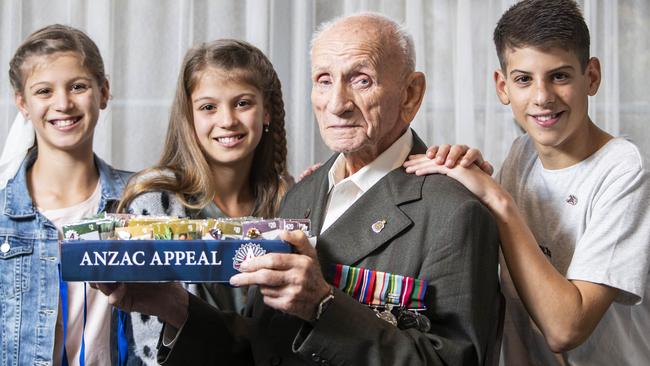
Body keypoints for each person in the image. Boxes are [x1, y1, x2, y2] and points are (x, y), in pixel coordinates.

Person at [97, 13, 501, 365]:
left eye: (361, 80)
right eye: (323, 80)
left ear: (410, 94)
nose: (337, 102)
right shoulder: (300, 195)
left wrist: (323, 307)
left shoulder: (455, 210)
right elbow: (259, 349)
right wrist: (171, 305)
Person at [404, 0, 650, 364]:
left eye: (560, 76)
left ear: (592, 77)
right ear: (502, 86)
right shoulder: (521, 155)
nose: (542, 98)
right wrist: (458, 176)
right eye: (524, 79)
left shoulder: (625, 171)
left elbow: (565, 329)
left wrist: (498, 200)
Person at [115, 39, 291, 365]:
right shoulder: (151, 205)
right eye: (208, 107)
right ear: (189, 117)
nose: (227, 120)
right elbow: (151, 348)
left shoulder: (293, 202)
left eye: (242, 103)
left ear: (266, 111)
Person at [0, 25, 133, 366]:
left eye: (78, 86)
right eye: (44, 91)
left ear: (103, 92)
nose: (63, 103)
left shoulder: (143, 201)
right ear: (23, 104)